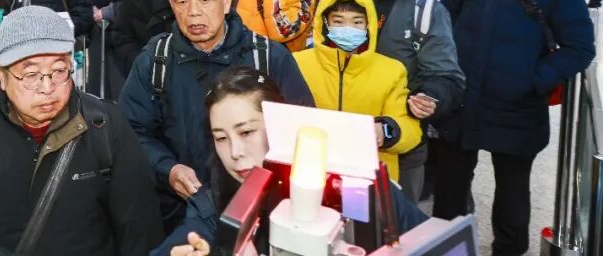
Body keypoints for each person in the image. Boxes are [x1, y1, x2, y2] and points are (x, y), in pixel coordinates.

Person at [0, 4, 163, 256]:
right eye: (31, 74)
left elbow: (140, 229)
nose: (47, 88)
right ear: (1, 74)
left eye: (59, 71)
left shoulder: (104, 125)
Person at [432, 0, 595, 256]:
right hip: (461, 98)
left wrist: (532, 80)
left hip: (517, 107)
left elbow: (580, 47)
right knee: (449, 187)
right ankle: (446, 247)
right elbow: (444, 20)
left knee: (512, 191)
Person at [119, 0, 313, 229]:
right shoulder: (156, 60)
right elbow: (130, 130)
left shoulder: (268, 57)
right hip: (182, 215)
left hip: (263, 212)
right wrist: (168, 169)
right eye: (181, 0)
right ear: (171, 4)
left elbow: (304, 133)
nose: (193, 12)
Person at [157, 67, 426, 256]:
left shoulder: (357, 190)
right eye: (221, 138)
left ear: (279, 125)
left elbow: (434, 242)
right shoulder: (213, 203)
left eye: (247, 132)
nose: (235, 152)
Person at [323, 0, 465, 201]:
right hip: (333, 131)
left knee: (392, 221)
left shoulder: (423, 7)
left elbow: (447, 76)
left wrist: (431, 97)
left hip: (396, 141)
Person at [294, 0, 421, 179]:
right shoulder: (297, 63)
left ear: (369, 25)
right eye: (338, 21)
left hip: (368, 176)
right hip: (310, 171)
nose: (348, 29)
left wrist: (385, 130)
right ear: (324, 23)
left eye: (357, 22)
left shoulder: (392, 71)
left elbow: (410, 129)